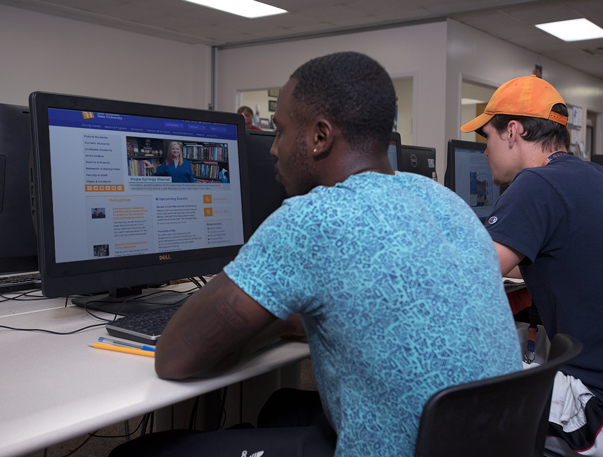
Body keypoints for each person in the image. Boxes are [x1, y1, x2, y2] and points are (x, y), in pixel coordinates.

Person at [112, 52, 521, 457]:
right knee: (280, 409)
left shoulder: (316, 218)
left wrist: (273, 325)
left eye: (281, 131)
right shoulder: (444, 200)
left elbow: (174, 357)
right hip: (484, 440)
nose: (273, 149)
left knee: (137, 453)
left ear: (320, 137)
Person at [461, 75, 603, 456]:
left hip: (600, 411)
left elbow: (469, 276)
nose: (486, 150)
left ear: (513, 131)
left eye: (487, 137)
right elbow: (572, 261)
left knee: (454, 400)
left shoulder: (536, 184)